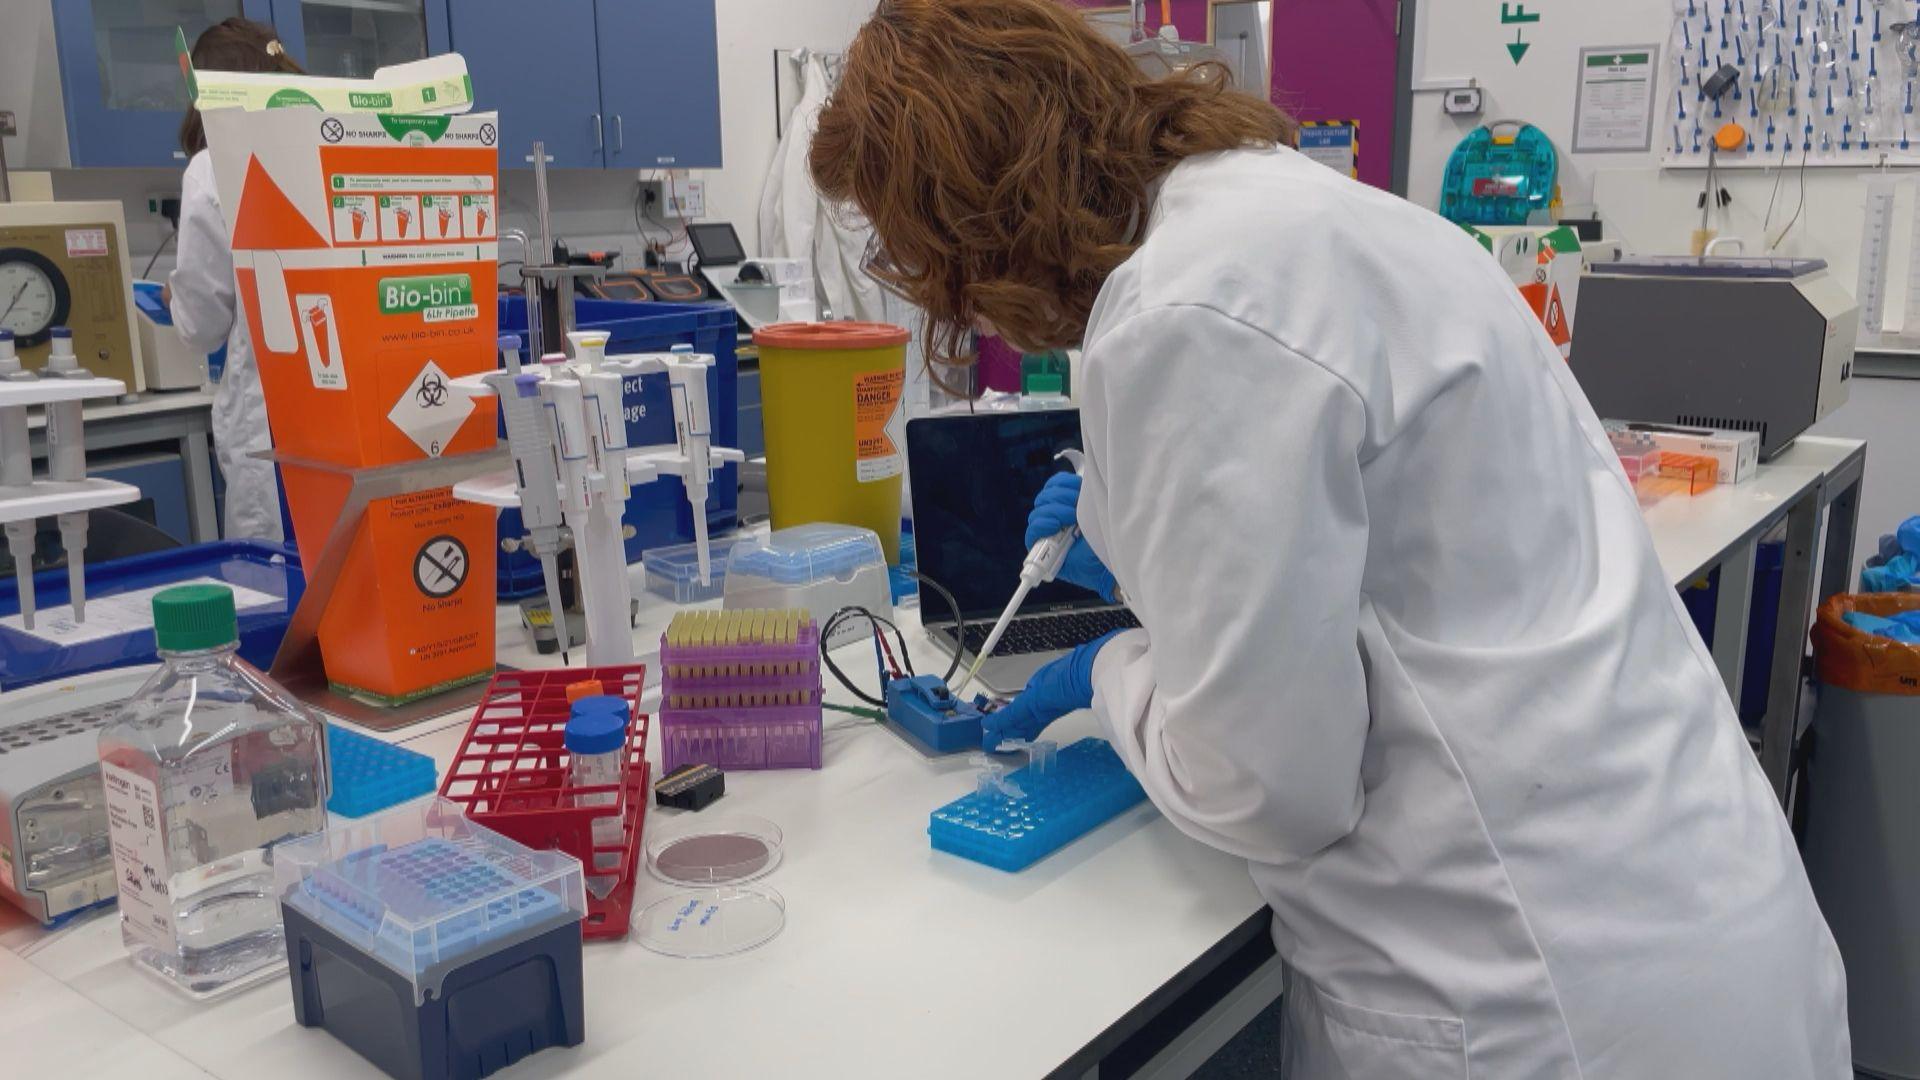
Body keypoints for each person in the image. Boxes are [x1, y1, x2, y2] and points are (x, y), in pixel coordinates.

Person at [808, 2, 1851, 1077]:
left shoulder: (1185, 308)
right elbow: (1367, 533)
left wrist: (1109, 669)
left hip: (1532, 993)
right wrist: (1119, 536)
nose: (966, 310)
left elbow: (1265, 790)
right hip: (1687, 912)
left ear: (976, 220)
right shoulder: (1304, 218)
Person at [168, 18, 302, 542]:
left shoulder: (212, 166)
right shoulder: (336, 134)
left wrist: (175, 297)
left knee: (285, 587)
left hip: (274, 419)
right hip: (354, 404)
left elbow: (201, 324)